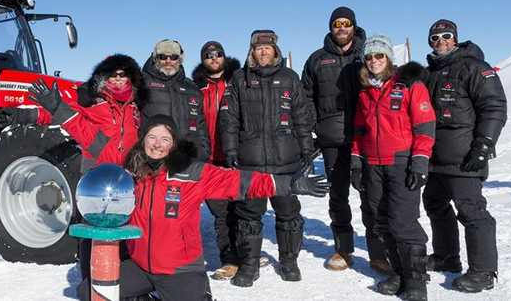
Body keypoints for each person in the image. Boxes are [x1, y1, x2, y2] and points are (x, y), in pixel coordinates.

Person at [52, 112, 329, 301]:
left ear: (173, 145)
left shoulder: (192, 172)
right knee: (90, 291)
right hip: (138, 267)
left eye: (164, 139)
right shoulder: (132, 167)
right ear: (143, 140)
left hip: (180, 271)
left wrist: (288, 185)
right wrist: (61, 111)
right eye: (152, 137)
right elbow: (95, 141)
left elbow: (241, 182)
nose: (157, 145)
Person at [0, 54, 143, 280]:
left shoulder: (135, 106)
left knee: (123, 230)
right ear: (103, 77)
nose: (117, 79)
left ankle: (120, 282)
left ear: (130, 77)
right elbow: (55, 112)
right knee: (92, 232)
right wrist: (24, 114)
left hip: (124, 177)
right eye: (111, 74)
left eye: (122, 74)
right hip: (96, 175)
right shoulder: (92, 101)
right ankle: (90, 282)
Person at [220, 30, 314, 286]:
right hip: (251, 162)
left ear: (275, 51)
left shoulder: (290, 78)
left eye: (267, 48)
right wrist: (230, 150)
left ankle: (288, 262)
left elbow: (302, 117)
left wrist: (307, 149)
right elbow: (228, 119)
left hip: (286, 160)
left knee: (289, 214)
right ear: (252, 51)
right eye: (258, 48)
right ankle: (249, 266)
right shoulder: (240, 79)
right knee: (248, 216)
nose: (263, 52)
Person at [300, 7, 389, 273]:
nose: (341, 27)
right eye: (337, 23)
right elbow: (305, 97)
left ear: (354, 26)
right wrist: (318, 125)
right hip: (332, 140)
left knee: (371, 194)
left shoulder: (369, 56)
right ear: (330, 27)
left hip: (366, 138)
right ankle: (343, 249)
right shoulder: (317, 59)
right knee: (338, 196)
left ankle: (378, 252)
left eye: (346, 23)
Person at [422, 19, 507, 293]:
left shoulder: (474, 68)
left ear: (455, 39)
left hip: (465, 157)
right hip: (433, 157)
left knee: (471, 211)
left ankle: (483, 271)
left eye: (446, 36)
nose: (441, 41)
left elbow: (494, 107)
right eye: (435, 37)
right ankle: (447, 257)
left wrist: (483, 145)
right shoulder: (428, 73)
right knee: (435, 204)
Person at [350, 34, 435, 301]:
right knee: (381, 220)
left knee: (403, 222)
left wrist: (420, 161)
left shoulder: (409, 84)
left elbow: (424, 126)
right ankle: (398, 272)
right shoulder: (365, 91)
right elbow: (359, 130)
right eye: (369, 56)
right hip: (373, 164)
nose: (374, 61)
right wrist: (356, 160)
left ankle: (416, 281)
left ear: (388, 57)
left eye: (379, 55)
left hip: (401, 163)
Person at [190, 40, 243, 280]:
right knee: (220, 211)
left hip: (237, 154)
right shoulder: (195, 88)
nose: (213, 58)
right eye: (208, 55)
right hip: (209, 157)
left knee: (242, 208)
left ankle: (246, 253)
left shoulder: (239, 81)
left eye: (218, 54)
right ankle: (230, 259)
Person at [140, 39, 211, 162]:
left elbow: (200, 124)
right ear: (155, 58)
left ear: (179, 60)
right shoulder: (142, 84)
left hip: (189, 158)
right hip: (155, 156)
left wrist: (204, 152)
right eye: (163, 57)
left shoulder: (192, 87)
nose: (168, 61)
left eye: (173, 57)